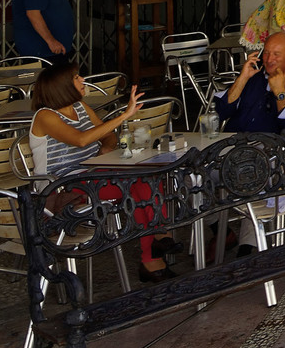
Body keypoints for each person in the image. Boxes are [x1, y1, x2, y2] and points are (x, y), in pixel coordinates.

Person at [28, 62, 178, 282]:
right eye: (77, 78)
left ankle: (156, 243)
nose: (83, 80)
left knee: (145, 175)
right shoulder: (45, 116)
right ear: (62, 86)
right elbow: (80, 140)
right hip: (62, 188)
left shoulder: (80, 106)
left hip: (93, 176)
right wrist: (124, 116)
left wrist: (105, 147)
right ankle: (157, 242)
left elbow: (108, 135)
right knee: (136, 182)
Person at [216, 31, 285, 133]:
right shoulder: (251, 77)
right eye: (266, 53)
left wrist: (280, 92)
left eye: (276, 54)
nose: (269, 59)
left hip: (268, 142)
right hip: (234, 139)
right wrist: (242, 79)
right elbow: (219, 114)